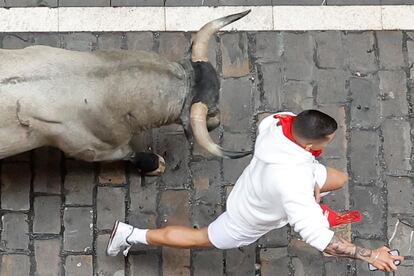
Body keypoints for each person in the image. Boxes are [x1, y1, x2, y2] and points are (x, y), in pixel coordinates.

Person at [106, 110, 403, 272]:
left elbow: (306, 169)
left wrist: (312, 186)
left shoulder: (278, 123)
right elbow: (322, 240)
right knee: (200, 238)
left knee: (336, 178)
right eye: (328, 141)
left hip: (266, 181)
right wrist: (369, 255)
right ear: (312, 146)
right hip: (246, 217)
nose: (330, 145)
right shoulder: (293, 184)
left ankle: (309, 203)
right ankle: (130, 235)